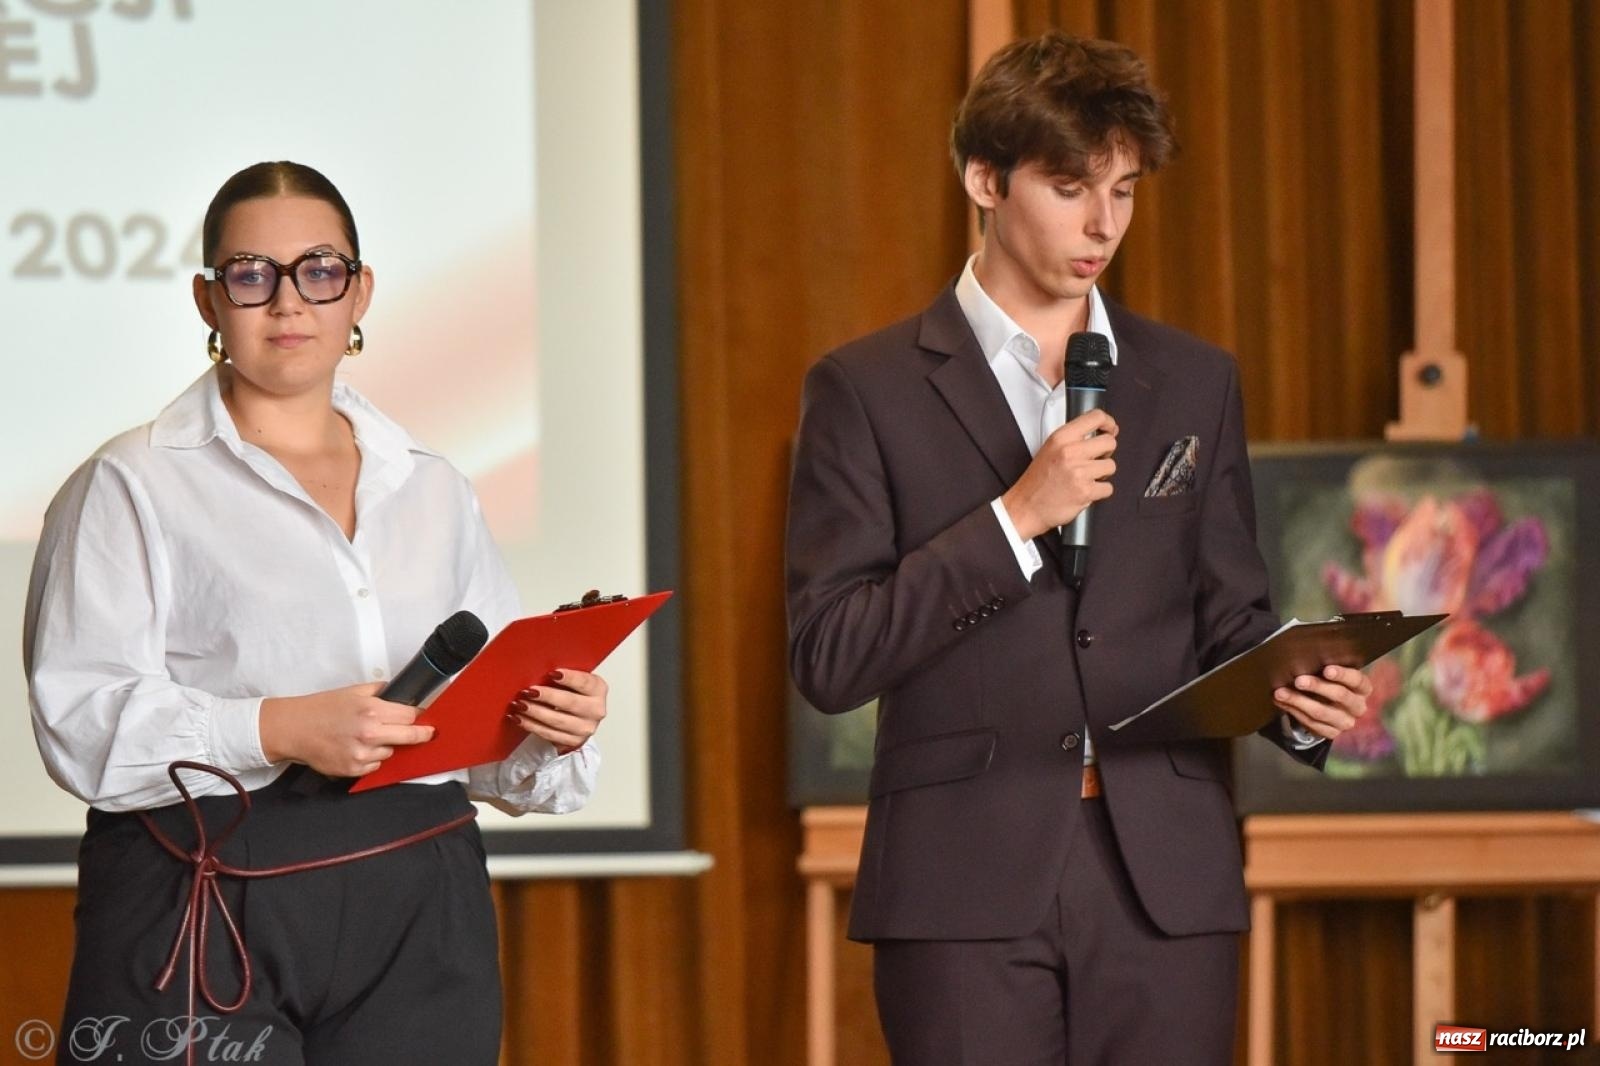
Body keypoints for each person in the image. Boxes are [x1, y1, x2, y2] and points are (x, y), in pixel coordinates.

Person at [785, 32, 1373, 1065]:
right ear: (982, 177)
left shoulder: (1194, 381)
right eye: (1069, 187)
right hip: (963, 882)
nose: (1102, 223)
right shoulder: (863, 388)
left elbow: (1229, 617)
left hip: (1165, 876)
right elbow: (830, 655)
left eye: (1125, 190)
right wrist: (1016, 517)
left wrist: (1296, 695)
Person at [23, 161, 607, 1066]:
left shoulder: (435, 486)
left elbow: (487, 742)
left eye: (319, 270)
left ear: (359, 292)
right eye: (251, 273)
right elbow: (78, 723)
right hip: (202, 894)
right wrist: (283, 725)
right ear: (208, 300)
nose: (288, 301)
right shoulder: (129, 483)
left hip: (421, 903)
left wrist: (548, 728)